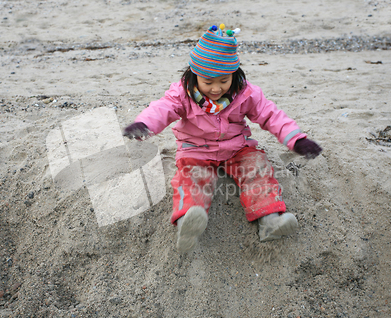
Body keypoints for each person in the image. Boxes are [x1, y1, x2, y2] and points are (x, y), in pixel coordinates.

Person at [123, 24, 322, 253]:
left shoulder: (245, 93)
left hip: (237, 148)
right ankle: (188, 221)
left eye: (223, 81)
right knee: (192, 178)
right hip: (195, 150)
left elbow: (270, 115)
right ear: (193, 74)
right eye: (208, 82)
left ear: (234, 75)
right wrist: (144, 124)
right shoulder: (182, 94)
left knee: (257, 170)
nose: (216, 89)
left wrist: (296, 140)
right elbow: (163, 109)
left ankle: (270, 221)